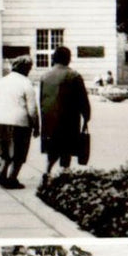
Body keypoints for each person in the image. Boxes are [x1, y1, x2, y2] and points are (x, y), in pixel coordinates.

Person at [38, 45, 91, 183]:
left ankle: (47, 171)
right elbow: (82, 99)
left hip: (49, 119)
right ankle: (64, 173)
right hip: (68, 119)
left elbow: (41, 99)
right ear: (68, 58)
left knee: (52, 148)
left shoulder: (44, 76)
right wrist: (86, 115)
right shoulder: (74, 75)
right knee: (66, 149)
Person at [0, 56, 39, 189]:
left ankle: (3, 175)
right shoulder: (26, 83)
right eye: (29, 68)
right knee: (19, 153)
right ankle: (12, 178)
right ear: (25, 68)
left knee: (5, 151)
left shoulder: (2, 81)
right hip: (19, 123)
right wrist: (36, 125)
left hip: (0, 120)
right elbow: (32, 108)